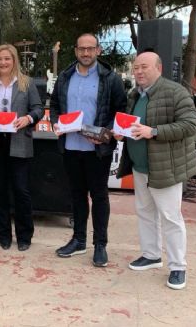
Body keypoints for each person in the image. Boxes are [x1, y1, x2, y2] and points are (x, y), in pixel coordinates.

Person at [116, 51, 196, 290]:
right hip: (141, 167)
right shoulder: (134, 95)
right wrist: (122, 132)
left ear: (158, 69)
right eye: (136, 67)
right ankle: (151, 255)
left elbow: (190, 125)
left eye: (144, 67)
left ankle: (178, 267)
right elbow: (134, 126)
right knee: (145, 212)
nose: (139, 71)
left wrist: (154, 131)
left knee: (171, 217)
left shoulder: (175, 92)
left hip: (166, 167)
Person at [49, 33, 127, 267]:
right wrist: (55, 122)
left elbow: (120, 110)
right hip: (71, 147)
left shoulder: (110, 78)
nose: (85, 53)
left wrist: (105, 133)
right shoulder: (65, 76)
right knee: (76, 195)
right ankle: (79, 240)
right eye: (81, 49)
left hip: (97, 151)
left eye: (90, 49)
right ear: (75, 51)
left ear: (98, 51)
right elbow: (54, 106)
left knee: (99, 196)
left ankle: (100, 244)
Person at [0, 44, 44, 251]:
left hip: (19, 142)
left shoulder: (26, 83)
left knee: (21, 191)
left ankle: (24, 236)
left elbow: (38, 108)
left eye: (7, 59)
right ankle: (3, 235)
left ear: (15, 60)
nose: (3, 62)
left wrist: (28, 118)